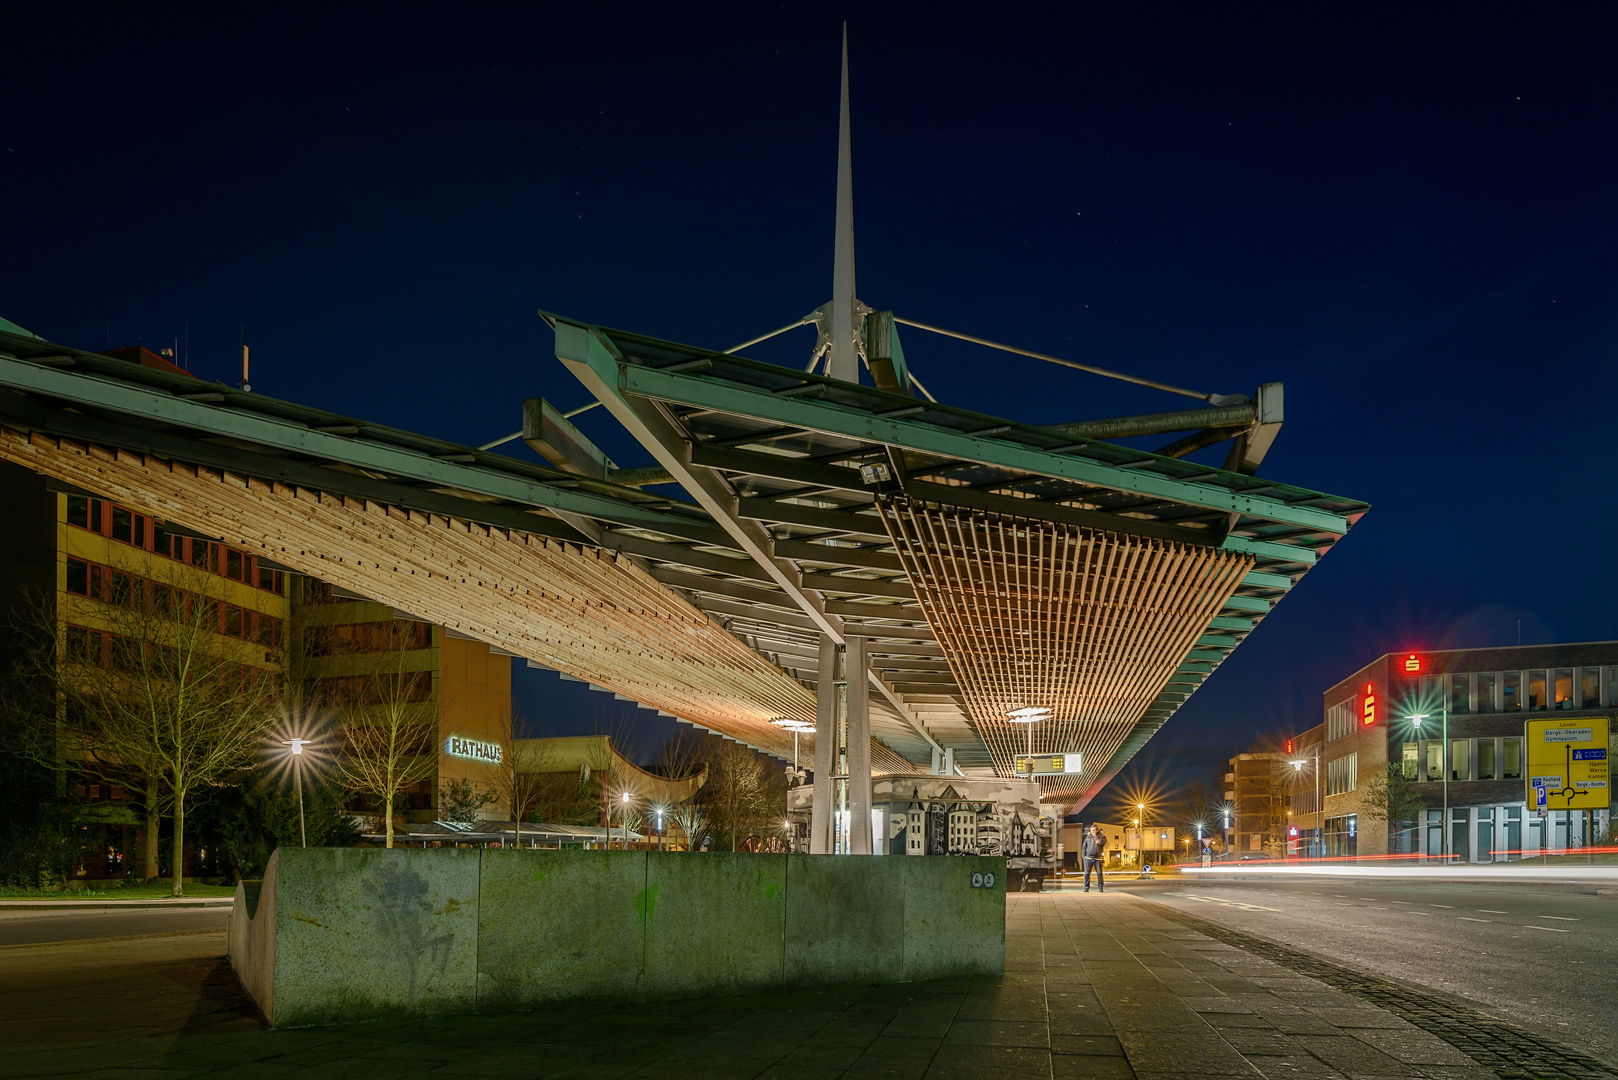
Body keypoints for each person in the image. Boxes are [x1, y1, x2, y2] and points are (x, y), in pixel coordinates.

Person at [1081, 824, 1105, 893]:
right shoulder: (1088, 837)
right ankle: (1086, 887)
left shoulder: (1101, 837)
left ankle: (1100, 887)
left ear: (1097, 830)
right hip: (1088, 858)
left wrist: (1099, 842)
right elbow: (1084, 847)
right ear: (1090, 831)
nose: (1093, 831)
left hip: (1098, 858)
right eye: (1092, 830)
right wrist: (1083, 857)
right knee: (1087, 873)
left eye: (1095, 830)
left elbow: (1104, 843)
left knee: (1099, 873)